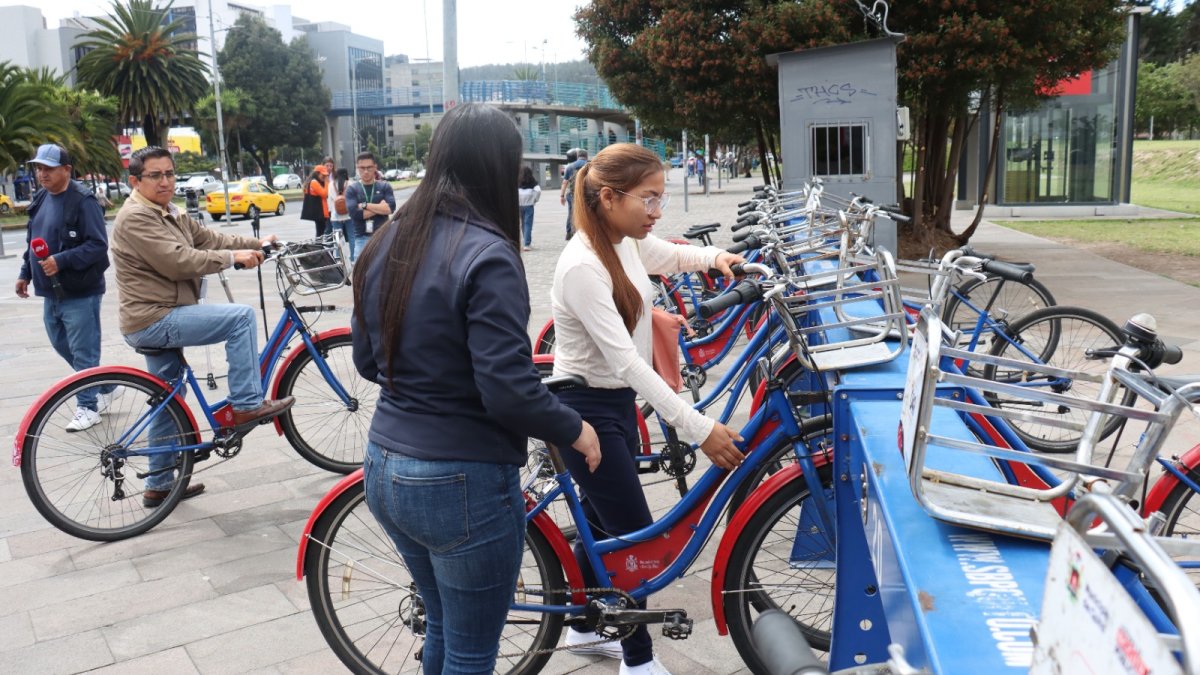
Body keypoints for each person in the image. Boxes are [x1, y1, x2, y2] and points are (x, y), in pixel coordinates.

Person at [351, 103, 601, 674]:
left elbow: (367, 360)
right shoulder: (489, 253)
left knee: (443, 627)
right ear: (498, 166)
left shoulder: (386, 240)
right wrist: (574, 427)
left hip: (385, 464)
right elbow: (507, 390)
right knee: (469, 650)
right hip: (460, 478)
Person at [550, 143, 745, 675]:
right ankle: (638, 662)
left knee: (602, 524)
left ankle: (583, 629)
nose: (657, 211)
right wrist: (699, 426)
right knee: (635, 541)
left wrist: (718, 258)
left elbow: (674, 254)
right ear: (609, 198)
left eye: (660, 197)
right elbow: (630, 364)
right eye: (649, 199)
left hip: (613, 404)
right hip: (586, 407)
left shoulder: (622, 240)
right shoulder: (583, 266)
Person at [110, 146, 295, 508]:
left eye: (169, 174)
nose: (165, 181)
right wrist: (231, 260)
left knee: (167, 401)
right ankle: (246, 405)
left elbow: (210, 238)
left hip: (160, 313)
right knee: (240, 318)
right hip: (154, 318)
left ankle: (159, 485)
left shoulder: (168, 211)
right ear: (135, 181)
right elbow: (179, 262)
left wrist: (256, 243)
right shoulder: (136, 217)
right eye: (155, 175)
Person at [15, 144, 114, 432]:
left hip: (80, 291)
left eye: (48, 168)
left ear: (67, 170)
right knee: (60, 342)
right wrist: (25, 273)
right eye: (38, 168)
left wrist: (61, 260)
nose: (41, 173)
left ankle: (87, 406)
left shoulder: (84, 201)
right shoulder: (41, 197)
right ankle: (104, 384)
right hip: (50, 291)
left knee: (83, 350)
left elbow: (98, 245)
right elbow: (32, 240)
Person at [346, 151, 395, 255]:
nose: (366, 171)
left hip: (383, 237)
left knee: (385, 270)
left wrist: (365, 205)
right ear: (357, 168)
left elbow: (390, 208)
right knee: (361, 271)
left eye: (369, 167)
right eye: (362, 168)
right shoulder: (352, 189)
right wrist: (380, 208)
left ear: (375, 167)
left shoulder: (384, 186)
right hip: (361, 239)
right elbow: (355, 214)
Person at [324, 167, 356, 261]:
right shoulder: (350, 184)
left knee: (337, 238)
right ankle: (352, 258)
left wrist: (331, 212)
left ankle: (338, 257)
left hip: (335, 215)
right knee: (351, 236)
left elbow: (329, 200)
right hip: (349, 214)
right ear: (346, 174)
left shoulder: (331, 185)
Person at [559, 148, 587, 240]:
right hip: (584, 194)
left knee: (571, 212)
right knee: (584, 213)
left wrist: (562, 196)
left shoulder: (570, 166)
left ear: (578, 156)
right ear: (586, 157)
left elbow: (564, 182)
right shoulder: (589, 166)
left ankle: (569, 233)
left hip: (571, 194)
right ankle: (582, 232)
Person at [300, 165, 329, 239]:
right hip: (319, 212)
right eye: (323, 175)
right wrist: (326, 182)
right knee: (320, 233)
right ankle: (319, 248)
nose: (325, 177)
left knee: (320, 232)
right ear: (317, 173)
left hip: (318, 212)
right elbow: (324, 194)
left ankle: (320, 247)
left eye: (326, 175)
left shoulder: (313, 182)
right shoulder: (314, 182)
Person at [517, 164, 541, 251]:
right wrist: (534, 200)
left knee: (522, 224)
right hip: (529, 206)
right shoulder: (533, 182)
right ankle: (527, 244)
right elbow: (538, 191)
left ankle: (523, 242)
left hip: (519, 206)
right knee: (528, 224)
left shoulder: (518, 181)